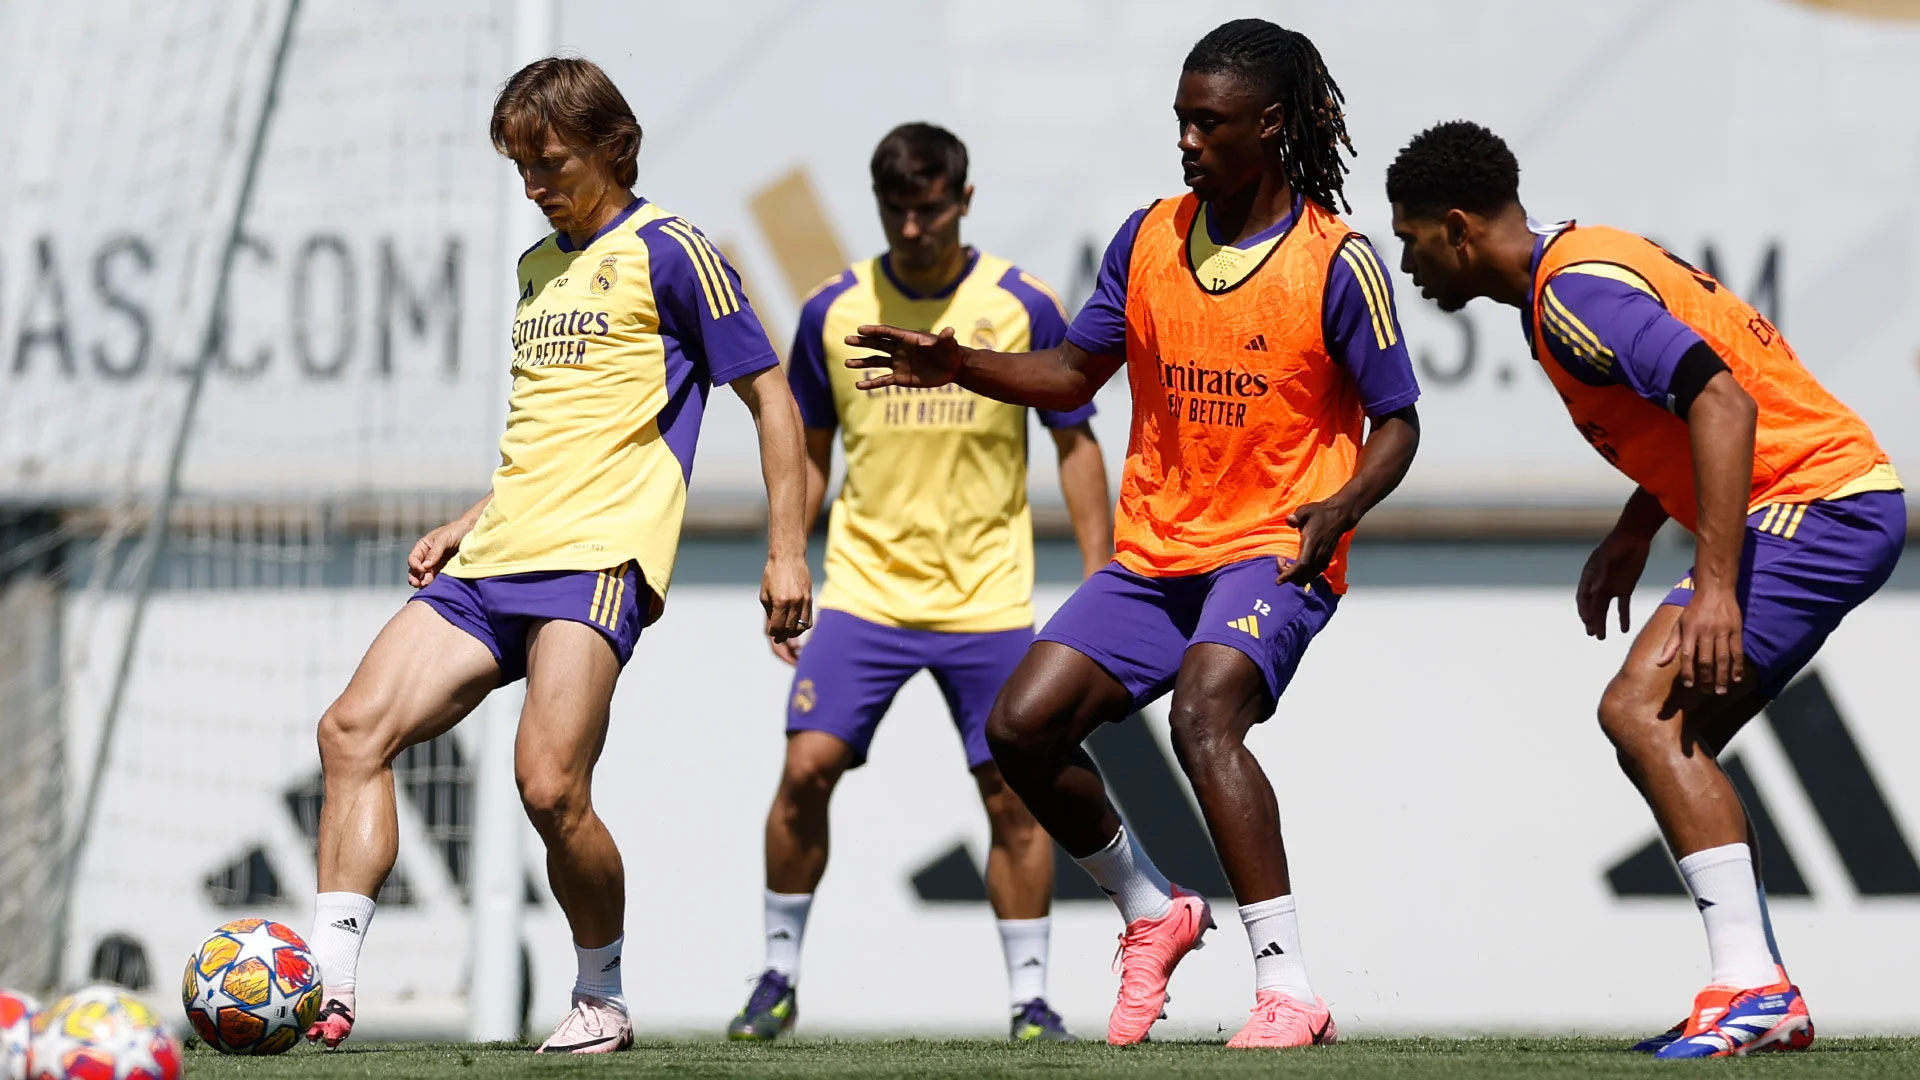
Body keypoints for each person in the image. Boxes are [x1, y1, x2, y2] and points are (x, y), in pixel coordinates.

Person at [842, 20, 1421, 1048]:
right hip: (1158, 556)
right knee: (1020, 726)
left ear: (1272, 124)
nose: (1189, 140)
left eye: (1211, 122)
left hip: (1275, 552)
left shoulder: (1337, 261)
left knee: (1205, 716)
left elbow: (1398, 423)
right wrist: (959, 362)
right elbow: (1073, 374)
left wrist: (1339, 509)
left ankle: (1288, 987)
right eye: (1181, 120)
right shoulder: (1150, 236)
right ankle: (1153, 910)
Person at [300, 57, 812, 1055]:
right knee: (350, 731)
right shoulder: (538, 267)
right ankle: (325, 988)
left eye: (550, 162)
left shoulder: (674, 250)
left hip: (599, 559)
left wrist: (787, 551)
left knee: (549, 788)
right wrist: (467, 518)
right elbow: (562, 431)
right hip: (495, 555)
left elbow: (773, 399)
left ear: (613, 146)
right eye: (521, 168)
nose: (534, 186)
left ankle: (602, 998)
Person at [1385, 120, 1904, 1058]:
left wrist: (1714, 588)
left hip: (1814, 501)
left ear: (1456, 228)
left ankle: (1753, 988)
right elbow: (1693, 393)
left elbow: (1723, 401)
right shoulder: (1583, 264)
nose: (1411, 266)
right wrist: (1635, 528)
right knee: (1673, 732)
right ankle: (1752, 989)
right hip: (1820, 502)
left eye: (1412, 239)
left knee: (1641, 711)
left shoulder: (1569, 297)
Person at [725, 122, 1112, 1044]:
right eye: (895, 208)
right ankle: (776, 977)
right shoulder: (832, 308)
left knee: (1012, 802)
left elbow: (1078, 445)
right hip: (866, 594)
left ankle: (1030, 1001)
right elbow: (809, 457)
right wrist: (789, 559)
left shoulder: (1021, 306)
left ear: (964, 201)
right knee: (804, 774)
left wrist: (1103, 583)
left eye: (928, 206)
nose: (911, 226)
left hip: (988, 602)